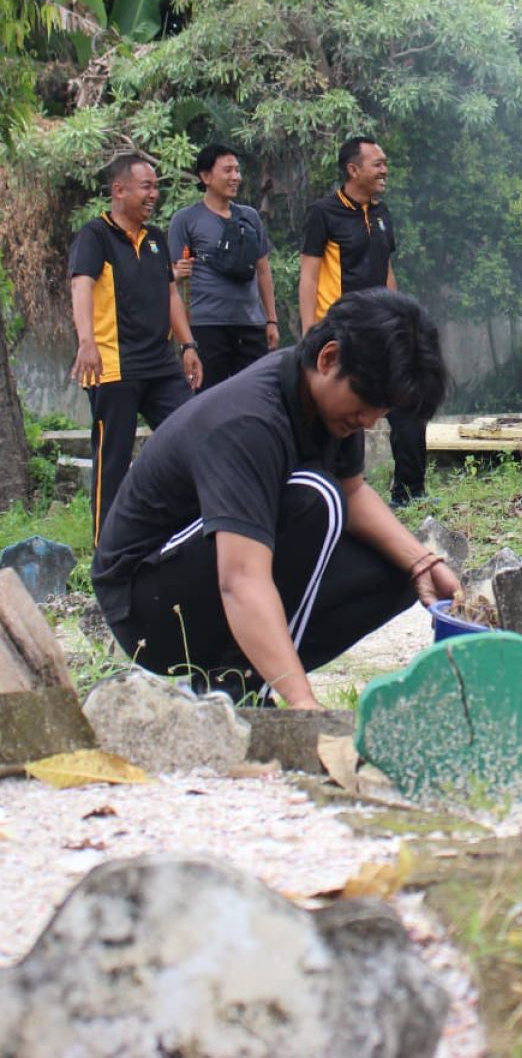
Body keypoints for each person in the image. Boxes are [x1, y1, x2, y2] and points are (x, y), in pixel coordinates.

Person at [91, 288, 460, 709]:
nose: (371, 421)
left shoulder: (328, 410)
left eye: (383, 410)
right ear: (329, 358)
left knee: (399, 574)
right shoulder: (249, 422)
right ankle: (243, 689)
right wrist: (305, 708)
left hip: (213, 578)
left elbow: (352, 490)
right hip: (146, 606)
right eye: (368, 402)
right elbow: (240, 580)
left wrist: (421, 561)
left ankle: (234, 685)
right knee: (316, 498)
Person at [69, 154, 203, 546]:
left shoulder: (157, 239)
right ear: (119, 190)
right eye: (146, 186)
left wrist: (188, 344)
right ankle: (104, 552)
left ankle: (187, 531)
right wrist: (86, 342)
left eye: (155, 187)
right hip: (114, 366)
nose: (154, 194)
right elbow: (81, 286)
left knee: (194, 435)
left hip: (161, 365)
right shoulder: (95, 236)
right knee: (112, 462)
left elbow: (169, 294)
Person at [299, 136, 427, 508]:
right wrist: (311, 330)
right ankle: (330, 492)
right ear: (353, 170)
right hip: (340, 330)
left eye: (385, 163)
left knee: (407, 399)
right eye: (377, 163)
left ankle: (410, 491)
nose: (384, 170)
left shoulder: (382, 214)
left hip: (382, 327)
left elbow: (387, 269)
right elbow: (309, 274)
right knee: (343, 412)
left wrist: (401, 315)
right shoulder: (323, 213)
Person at [168, 144, 279, 390]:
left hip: (251, 324)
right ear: (206, 176)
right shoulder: (185, 220)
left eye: (237, 171)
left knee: (257, 394)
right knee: (206, 396)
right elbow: (173, 277)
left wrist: (271, 320)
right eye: (227, 170)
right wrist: (186, 341)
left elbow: (263, 269)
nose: (235, 177)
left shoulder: (250, 217)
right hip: (206, 326)